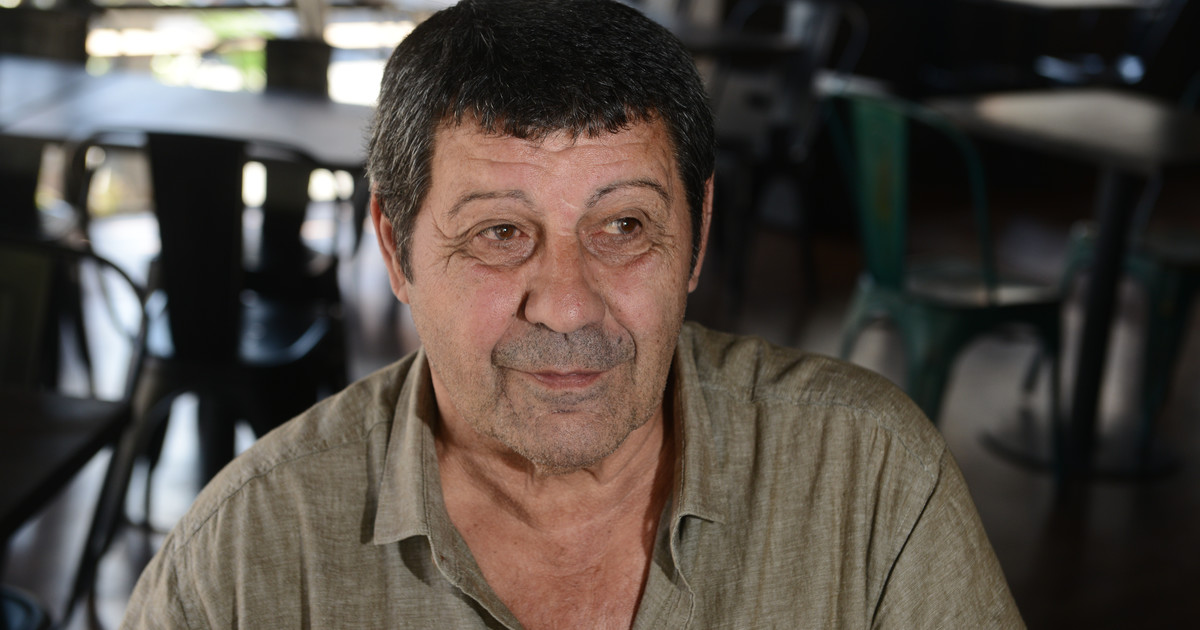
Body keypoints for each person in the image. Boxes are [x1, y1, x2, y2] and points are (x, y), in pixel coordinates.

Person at [121, 0, 1023, 627]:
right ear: (397, 250)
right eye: (500, 233)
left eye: (624, 226)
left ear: (697, 236)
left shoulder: (868, 478)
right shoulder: (245, 556)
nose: (565, 303)